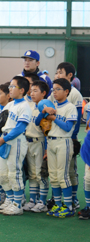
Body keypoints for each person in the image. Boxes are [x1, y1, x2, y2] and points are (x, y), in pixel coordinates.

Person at [0, 76, 32, 216]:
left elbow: (20, 128)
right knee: (2, 174)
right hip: (4, 138)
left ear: (22, 90)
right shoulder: (10, 105)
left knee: (14, 173)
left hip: (16, 141)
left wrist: (3, 139)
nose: (10, 89)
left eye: (13, 86)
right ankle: (10, 199)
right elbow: (0, 124)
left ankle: (17, 204)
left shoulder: (24, 106)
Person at [49, 62, 83, 208]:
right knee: (55, 173)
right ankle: (57, 201)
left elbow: (73, 122)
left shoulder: (75, 94)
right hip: (53, 139)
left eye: (60, 72)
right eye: (56, 72)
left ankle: (72, 201)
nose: (57, 75)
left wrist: (73, 138)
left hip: (67, 138)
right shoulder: (54, 96)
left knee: (69, 172)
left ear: (70, 75)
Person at [43, 78, 78, 218]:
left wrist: (53, 117)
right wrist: (44, 110)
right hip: (51, 141)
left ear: (66, 91)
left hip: (64, 142)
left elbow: (67, 127)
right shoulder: (52, 106)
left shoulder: (70, 107)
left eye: (58, 89)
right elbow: (42, 122)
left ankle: (69, 206)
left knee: (63, 176)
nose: (54, 92)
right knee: (53, 177)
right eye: (53, 89)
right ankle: (58, 205)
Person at [24, 80, 50, 213]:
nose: (32, 93)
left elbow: (47, 130)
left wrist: (46, 148)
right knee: (32, 173)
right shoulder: (29, 106)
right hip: (28, 142)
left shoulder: (46, 108)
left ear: (44, 93)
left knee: (41, 173)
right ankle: (33, 200)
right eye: (31, 90)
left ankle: (43, 201)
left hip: (39, 141)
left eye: (36, 91)